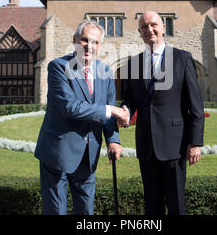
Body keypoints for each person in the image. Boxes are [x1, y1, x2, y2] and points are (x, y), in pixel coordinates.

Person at [34, 20, 127, 215]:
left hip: (89, 153)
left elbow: (108, 117)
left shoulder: (106, 72)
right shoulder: (58, 67)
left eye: (95, 42)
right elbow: (70, 107)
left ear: (100, 46)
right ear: (74, 40)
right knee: (55, 211)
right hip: (58, 152)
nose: (89, 46)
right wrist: (112, 110)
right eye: (84, 40)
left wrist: (113, 140)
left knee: (86, 212)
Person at [121, 11, 204, 215]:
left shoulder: (182, 59)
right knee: (152, 206)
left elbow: (195, 105)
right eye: (144, 27)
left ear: (163, 27)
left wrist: (195, 143)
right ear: (139, 32)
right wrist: (125, 110)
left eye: (153, 25)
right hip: (146, 145)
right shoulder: (132, 64)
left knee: (176, 205)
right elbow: (129, 100)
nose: (149, 29)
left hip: (174, 146)